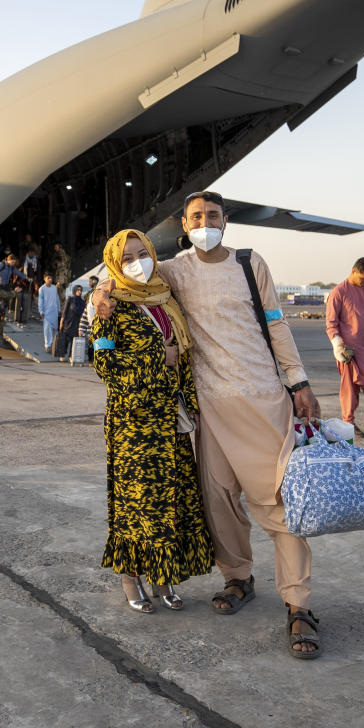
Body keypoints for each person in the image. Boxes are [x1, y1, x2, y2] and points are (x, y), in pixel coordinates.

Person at [94, 190, 323, 659]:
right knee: (218, 501)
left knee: (278, 504)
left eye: (213, 216)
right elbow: (121, 272)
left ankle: (298, 605)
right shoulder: (175, 270)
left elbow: (276, 324)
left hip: (262, 400)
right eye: (196, 217)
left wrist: (298, 382)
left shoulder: (249, 262)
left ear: (226, 221)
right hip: (211, 411)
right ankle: (238, 577)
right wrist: (99, 295)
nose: (205, 223)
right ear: (184, 223)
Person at [91, 230, 213, 612]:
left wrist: (190, 402)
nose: (136, 262)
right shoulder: (109, 306)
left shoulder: (164, 297)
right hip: (134, 424)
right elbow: (104, 365)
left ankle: (164, 577)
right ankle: (130, 577)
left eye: (141, 253)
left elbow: (185, 356)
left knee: (170, 501)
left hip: (170, 421)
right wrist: (161, 362)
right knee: (137, 503)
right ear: (114, 263)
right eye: (126, 258)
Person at [325, 256, 364, 440]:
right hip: (350, 352)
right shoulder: (339, 292)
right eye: (362, 278)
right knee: (349, 392)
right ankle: (349, 425)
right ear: (353, 271)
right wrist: (337, 345)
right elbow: (331, 323)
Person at [52, 284, 85, 361]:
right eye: (78, 290)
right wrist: (61, 323)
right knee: (65, 340)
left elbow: (84, 314)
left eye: (80, 290)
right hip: (68, 323)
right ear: (74, 290)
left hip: (77, 324)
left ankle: (71, 356)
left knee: (74, 341)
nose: (79, 292)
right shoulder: (70, 299)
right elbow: (64, 312)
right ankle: (63, 355)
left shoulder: (82, 302)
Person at [37, 273, 60, 350]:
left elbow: (57, 299)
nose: (50, 279)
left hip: (54, 312)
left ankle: (53, 344)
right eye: (48, 278)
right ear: (45, 279)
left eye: (51, 278)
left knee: (54, 328)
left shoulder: (54, 288)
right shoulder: (42, 289)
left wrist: (59, 309)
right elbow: (40, 301)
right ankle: (47, 345)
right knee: (47, 329)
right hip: (46, 312)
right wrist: (41, 311)